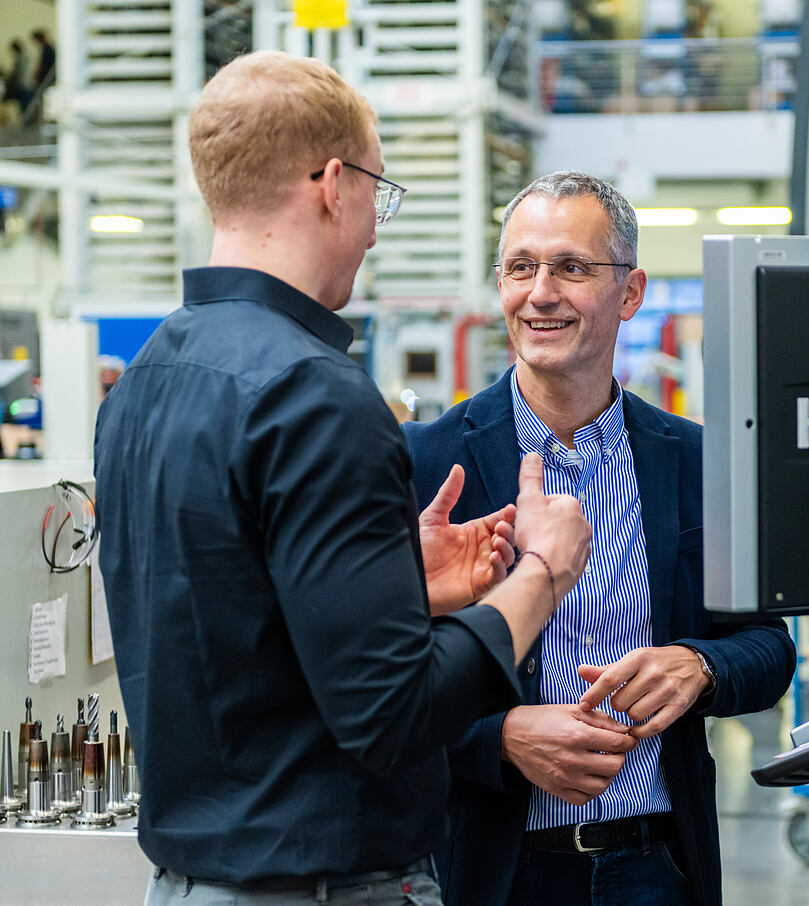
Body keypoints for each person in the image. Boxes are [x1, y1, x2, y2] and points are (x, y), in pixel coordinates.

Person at [93, 52, 591, 906]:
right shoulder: (315, 395)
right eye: (375, 192)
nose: (373, 229)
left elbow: (236, 628)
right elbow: (392, 715)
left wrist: (393, 588)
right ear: (331, 184)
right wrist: (542, 575)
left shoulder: (144, 382)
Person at [403, 171, 797, 906]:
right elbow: (368, 689)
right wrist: (498, 737)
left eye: (571, 267)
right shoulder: (427, 465)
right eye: (521, 267)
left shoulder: (696, 461)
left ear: (630, 292)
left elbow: (770, 648)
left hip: (656, 865)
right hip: (492, 871)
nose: (541, 293)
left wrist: (700, 666)